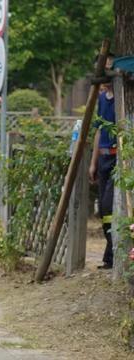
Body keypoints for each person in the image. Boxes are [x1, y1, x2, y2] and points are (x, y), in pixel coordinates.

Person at [89, 53, 115, 270]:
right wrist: (93, 162)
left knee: (109, 205)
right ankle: (110, 254)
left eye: (108, 67)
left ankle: (114, 253)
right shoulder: (100, 100)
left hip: (118, 158)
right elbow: (97, 131)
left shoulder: (123, 98)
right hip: (104, 158)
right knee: (104, 211)